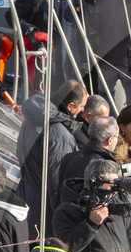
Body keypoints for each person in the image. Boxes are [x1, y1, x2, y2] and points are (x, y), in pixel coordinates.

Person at [18, 80, 89, 236]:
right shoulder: (59, 137)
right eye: (81, 106)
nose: (83, 110)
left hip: (26, 197)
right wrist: (63, 221)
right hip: (44, 213)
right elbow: (56, 184)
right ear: (70, 106)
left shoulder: (32, 120)